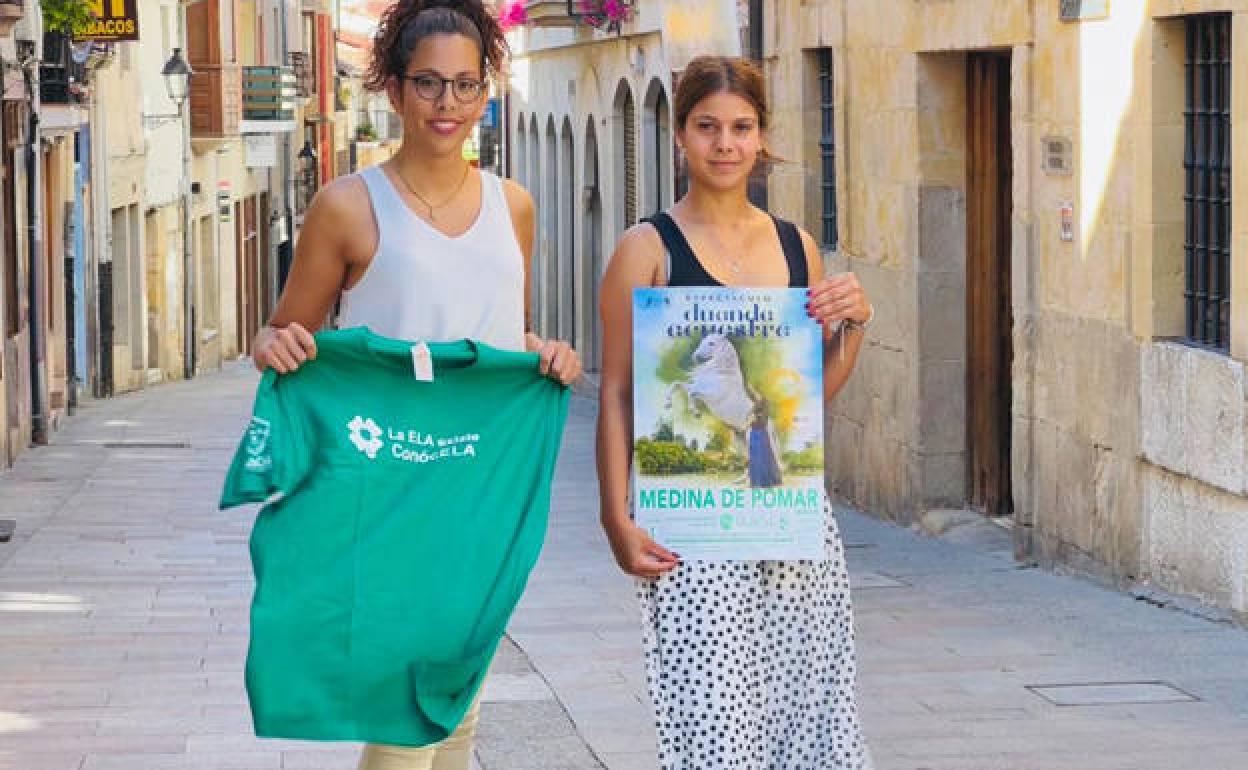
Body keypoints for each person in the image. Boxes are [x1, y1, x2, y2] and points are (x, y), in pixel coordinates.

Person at [250, 1, 582, 767]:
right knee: (414, 709)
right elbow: (279, 332)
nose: (447, 104)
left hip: (483, 489)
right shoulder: (347, 207)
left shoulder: (515, 207)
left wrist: (546, 355)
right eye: (428, 83)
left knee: (455, 702)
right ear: (394, 89)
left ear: (486, 91)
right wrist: (276, 346)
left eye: (465, 86)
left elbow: (502, 333)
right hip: (388, 483)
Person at [596, 55, 875, 769]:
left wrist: (856, 329)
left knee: (809, 714)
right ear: (680, 136)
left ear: (762, 137)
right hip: (687, 526)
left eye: (742, 127)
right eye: (708, 127)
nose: (726, 143)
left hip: (790, 514)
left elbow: (802, 403)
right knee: (714, 722)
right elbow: (621, 392)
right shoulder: (646, 250)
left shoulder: (794, 246)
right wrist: (616, 519)